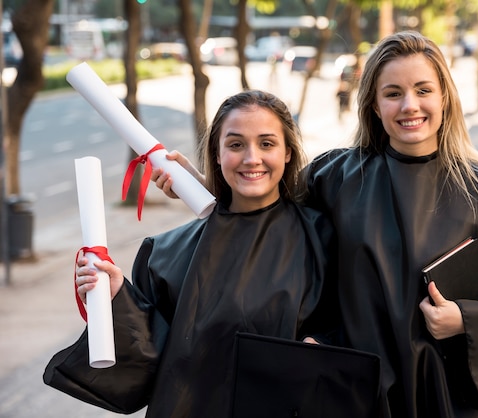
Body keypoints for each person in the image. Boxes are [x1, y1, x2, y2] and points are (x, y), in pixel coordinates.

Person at [151, 31, 478, 417]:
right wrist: (207, 187)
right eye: (393, 93)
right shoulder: (336, 178)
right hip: (363, 394)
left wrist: (467, 319)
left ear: (445, 98)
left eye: (423, 90)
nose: (409, 106)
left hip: (453, 395)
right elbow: (267, 212)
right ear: (372, 103)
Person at [43, 90, 340, 417]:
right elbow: (150, 367)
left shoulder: (323, 238)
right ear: (216, 153)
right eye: (236, 144)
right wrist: (117, 299)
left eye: (267, 143)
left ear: (287, 152)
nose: (251, 158)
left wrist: (322, 347)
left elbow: (354, 331)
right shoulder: (165, 254)